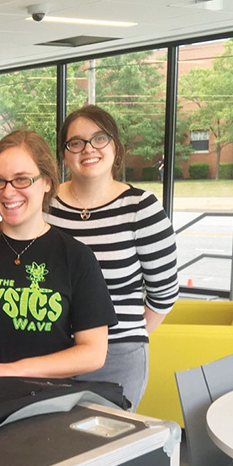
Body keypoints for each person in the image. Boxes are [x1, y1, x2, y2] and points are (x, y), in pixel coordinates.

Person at [0, 130, 117, 387]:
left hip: (46, 406)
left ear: (48, 182)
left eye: (22, 180)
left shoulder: (76, 257)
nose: (8, 192)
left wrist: (12, 371)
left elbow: (93, 352)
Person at [46, 105, 179, 410]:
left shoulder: (141, 208)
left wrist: (126, 335)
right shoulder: (46, 204)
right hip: (51, 353)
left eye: (99, 139)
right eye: (75, 142)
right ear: (65, 154)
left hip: (117, 357)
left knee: (105, 447)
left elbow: (164, 293)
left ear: (115, 147)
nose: (88, 149)